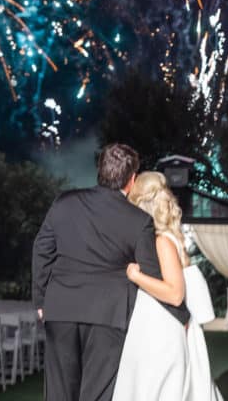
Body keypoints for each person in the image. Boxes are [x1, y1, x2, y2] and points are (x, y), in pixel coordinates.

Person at [32, 144, 190, 401]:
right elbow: (152, 275)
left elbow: (42, 249)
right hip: (108, 316)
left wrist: (40, 299)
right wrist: (181, 314)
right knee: (96, 395)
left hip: (60, 309)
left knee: (59, 394)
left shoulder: (64, 203)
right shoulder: (139, 221)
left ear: (100, 171)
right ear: (132, 179)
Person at [113, 171, 223, 401]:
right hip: (158, 325)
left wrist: (136, 276)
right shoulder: (163, 238)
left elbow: (175, 294)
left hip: (161, 329)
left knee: (157, 390)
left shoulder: (163, 241)